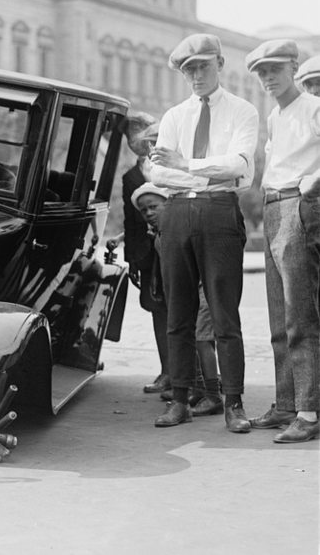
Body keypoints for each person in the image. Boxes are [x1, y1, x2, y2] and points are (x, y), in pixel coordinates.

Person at [149, 33, 259, 432]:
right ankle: (180, 400)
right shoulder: (175, 116)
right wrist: (194, 166)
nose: (195, 75)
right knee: (178, 312)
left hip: (219, 211)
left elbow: (238, 165)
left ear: (219, 64)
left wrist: (186, 162)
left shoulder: (243, 111)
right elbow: (158, 171)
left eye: (202, 66)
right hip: (176, 211)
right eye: (188, 69)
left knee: (224, 313)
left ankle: (234, 403)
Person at [245, 39, 320, 443]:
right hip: (274, 205)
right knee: (278, 315)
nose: (268, 78)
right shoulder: (275, 117)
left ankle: (309, 412)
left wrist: (314, 182)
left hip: (298, 204)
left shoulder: (313, 106)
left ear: (293, 67)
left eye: (274, 69)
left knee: (299, 315)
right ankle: (287, 404)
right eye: (261, 72)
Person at [131, 182, 223, 418]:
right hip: (189, 292)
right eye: (144, 211)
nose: (149, 213)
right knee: (190, 337)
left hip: (205, 289)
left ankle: (213, 395)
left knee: (202, 339)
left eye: (154, 207)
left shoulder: (181, 229)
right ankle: (199, 387)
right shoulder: (159, 235)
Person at [117, 113, 170, 394]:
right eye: (129, 135)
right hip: (147, 256)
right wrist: (132, 259)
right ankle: (167, 371)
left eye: (139, 131)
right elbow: (129, 219)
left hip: (173, 248)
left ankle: (194, 374)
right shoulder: (130, 177)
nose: (134, 139)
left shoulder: (169, 167)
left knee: (183, 309)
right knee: (157, 310)